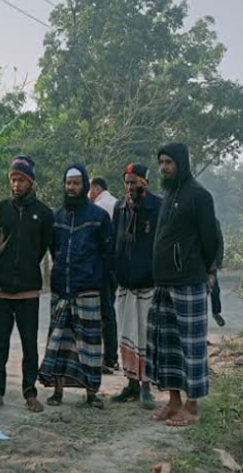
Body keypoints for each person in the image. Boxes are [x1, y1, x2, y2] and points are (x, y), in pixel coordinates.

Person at [147, 143, 220, 427]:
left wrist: (198, 268)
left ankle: (191, 406)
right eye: (161, 162)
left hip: (188, 283)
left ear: (181, 163)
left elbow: (210, 240)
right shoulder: (169, 193)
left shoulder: (198, 196)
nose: (164, 167)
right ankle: (174, 401)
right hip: (164, 284)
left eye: (169, 162)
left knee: (191, 347)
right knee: (167, 347)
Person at [38, 164, 111, 409]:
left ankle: (92, 393)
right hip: (61, 289)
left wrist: (94, 276)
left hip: (88, 288)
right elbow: (53, 250)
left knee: (89, 343)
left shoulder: (99, 217)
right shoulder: (56, 218)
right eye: (68, 183)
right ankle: (57, 392)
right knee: (59, 341)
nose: (71, 188)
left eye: (76, 183)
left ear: (85, 185)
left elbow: (106, 251)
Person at [0, 155, 55, 413]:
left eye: (21, 180)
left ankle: (30, 392)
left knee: (29, 343)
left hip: (28, 290)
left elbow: (41, 249)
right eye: (13, 180)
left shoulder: (44, 214)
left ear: (31, 183)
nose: (16, 185)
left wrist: (26, 266)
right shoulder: (0, 210)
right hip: (0, 288)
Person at [110, 163, 162, 409]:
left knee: (144, 335)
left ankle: (146, 387)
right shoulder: (119, 208)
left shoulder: (156, 207)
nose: (130, 187)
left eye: (134, 182)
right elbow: (114, 243)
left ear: (145, 182)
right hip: (125, 284)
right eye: (127, 182)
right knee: (126, 335)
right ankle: (130, 383)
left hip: (147, 285)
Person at [88, 176, 120, 372]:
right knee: (109, 312)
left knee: (104, 312)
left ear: (96, 188)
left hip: (102, 267)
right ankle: (111, 356)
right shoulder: (117, 203)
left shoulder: (100, 208)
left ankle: (108, 357)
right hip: (116, 267)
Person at [211, 221, 225, 327]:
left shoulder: (214, 222)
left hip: (211, 264)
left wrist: (218, 262)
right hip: (195, 264)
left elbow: (220, 242)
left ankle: (216, 313)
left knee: (215, 290)